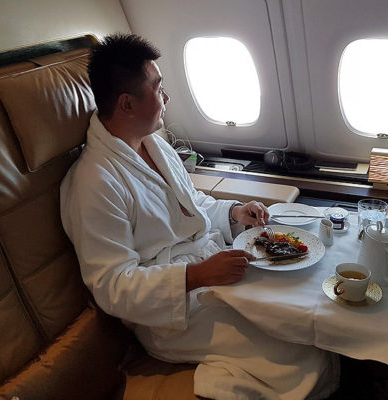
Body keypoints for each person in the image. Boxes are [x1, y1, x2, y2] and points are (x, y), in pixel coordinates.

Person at [60, 33, 339, 400]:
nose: (166, 98)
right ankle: (217, 386)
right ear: (127, 103)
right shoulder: (93, 183)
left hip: (210, 271)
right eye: (158, 89)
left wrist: (237, 213)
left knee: (303, 318)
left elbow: (192, 207)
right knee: (301, 357)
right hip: (172, 316)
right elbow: (113, 286)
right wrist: (196, 276)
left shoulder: (153, 144)